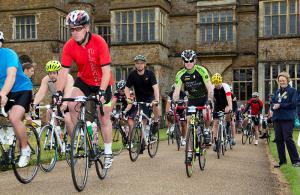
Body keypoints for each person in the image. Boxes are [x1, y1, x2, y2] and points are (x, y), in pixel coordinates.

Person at [56, 10, 114, 169]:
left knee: (103, 116)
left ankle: (108, 151)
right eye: (72, 29)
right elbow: (63, 72)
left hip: (103, 81)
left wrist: (102, 91)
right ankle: (82, 134)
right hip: (84, 80)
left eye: (78, 28)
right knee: (70, 104)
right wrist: (59, 93)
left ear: (87, 27)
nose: (74, 32)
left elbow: (106, 71)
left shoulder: (99, 41)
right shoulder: (69, 46)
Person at [0, 31, 33, 167]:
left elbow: (11, 77)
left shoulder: (9, 54)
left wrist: (3, 94)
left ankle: (25, 150)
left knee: (14, 118)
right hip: (4, 92)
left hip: (21, 89)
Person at [173, 50, 213, 158]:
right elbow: (176, 91)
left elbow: (210, 88)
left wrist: (209, 100)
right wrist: (175, 101)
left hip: (204, 97)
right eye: (186, 61)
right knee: (190, 121)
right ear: (183, 62)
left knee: (205, 113)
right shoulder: (180, 74)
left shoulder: (201, 70)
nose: (189, 63)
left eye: (191, 60)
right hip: (192, 100)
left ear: (195, 60)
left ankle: (206, 129)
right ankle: (190, 150)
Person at [124, 54, 160, 154]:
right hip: (140, 99)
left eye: (141, 63)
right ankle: (142, 142)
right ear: (135, 65)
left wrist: (156, 99)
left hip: (150, 97)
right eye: (137, 63)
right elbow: (127, 88)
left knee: (155, 105)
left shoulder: (150, 74)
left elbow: (155, 88)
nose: (139, 65)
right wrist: (128, 98)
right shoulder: (132, 74)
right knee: (142, 120)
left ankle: (156, 121)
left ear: (145, 64)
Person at [32, 60, 74, 135]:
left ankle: (73, 141)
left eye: (54, 73)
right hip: (56, 99)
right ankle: (56, 136)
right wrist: (34, 104)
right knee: (49, 114)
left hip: (69, 99)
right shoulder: (46, 79)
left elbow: (68, 92)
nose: (52, 75)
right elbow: (41, 93)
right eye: (50, 73)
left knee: (67, 119)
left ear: (59, 72)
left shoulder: (67, 77)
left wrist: (65, 103)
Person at [272, 72, 300, 168]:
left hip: (287, 118)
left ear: (287, 80)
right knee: (279, 140)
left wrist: (280, 105)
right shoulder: (277, 92)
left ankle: (296, 161)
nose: (281, 82)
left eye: (283, 80)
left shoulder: (293, 91)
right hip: (277, 119)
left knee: (288, 139)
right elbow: (272, 102)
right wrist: (273, 106)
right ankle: (282, 161)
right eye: (280, 80)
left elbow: (293, 104)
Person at [211, 73, 236, 149]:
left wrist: (230, 107)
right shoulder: (212, 87)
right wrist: (211, 108)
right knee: (215, 123)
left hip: (226, 104)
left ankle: (231, 136)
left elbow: (229, 99)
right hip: (217, 105)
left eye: (218, 84)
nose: (217, 86)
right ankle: (215, 142)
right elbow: (211, 100)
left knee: (230, 120)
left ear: (221, 82)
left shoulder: (226, 87)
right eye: (216, 85)